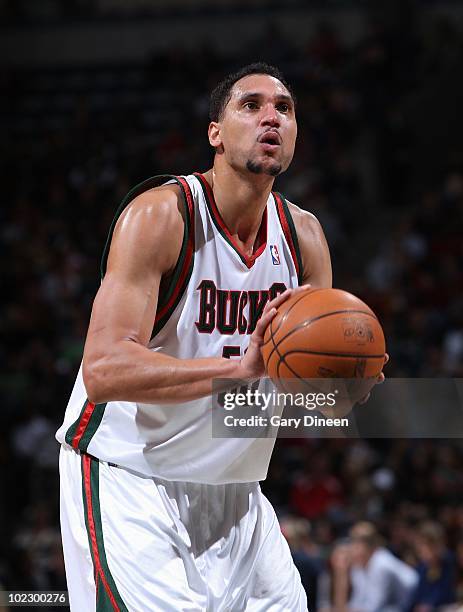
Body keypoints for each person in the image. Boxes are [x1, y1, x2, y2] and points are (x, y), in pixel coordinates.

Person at [56, 62, 385, 610]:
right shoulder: (161, 216)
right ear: (215, 132)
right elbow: (105, 370)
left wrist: (344, 389)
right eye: (250, 105)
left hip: (236, 491)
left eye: (284, 107)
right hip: (130, 478)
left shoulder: (304, 238)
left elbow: (304, 397)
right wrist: (238, 370)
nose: (271, 118)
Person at [330, 521, 418, 612]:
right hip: (391, 604)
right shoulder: (359, 565)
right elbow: (356, 602)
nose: (352, 549)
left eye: (357, 544)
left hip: (414, 602)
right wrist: (341, 573)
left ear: (369, 546)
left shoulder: (381, 564)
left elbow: (374, 608)